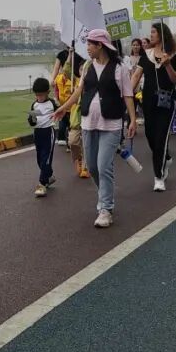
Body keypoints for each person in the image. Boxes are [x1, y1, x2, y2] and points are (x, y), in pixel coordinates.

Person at [53, 29, 137, 226]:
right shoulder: (87, 66)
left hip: (111, 124)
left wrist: (132, 120)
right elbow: (78, 92)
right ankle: (105, 196)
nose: (88, 48)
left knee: (103, 166)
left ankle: (105, 208)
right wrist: (63, 108)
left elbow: (127, 95)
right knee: (92, 166)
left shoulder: (119, 68)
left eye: (90, 44)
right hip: (88, 123)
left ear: (101, 45)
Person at [130, 22, 176, 191]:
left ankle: (158, 177)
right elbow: (136, 76)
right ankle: (165, 158)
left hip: (166, 102)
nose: (150, 35)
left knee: (161, 139)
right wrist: (126, 94)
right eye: (150, 32)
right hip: (148, 101)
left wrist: (167, 65)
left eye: (153, 32)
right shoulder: (146, 54)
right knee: (150, 135)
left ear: (162, 34)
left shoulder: (174, 56)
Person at [54, 60, 87, 177]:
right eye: (82, 69)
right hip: (76, 118)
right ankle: (78, 159)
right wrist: (69, 54)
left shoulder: (95, 83)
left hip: (90, 118)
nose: (84, 72)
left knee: (87, 144)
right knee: (73, 141)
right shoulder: (76, 81)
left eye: (86, 70)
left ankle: (85, 167)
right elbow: (67, 69)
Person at [27, 77, 58, 197]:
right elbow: (32, 122)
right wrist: (32, 119)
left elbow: (60, 112)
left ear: (47, 93)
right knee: (40, 159)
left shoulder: (52, 103)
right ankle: (49, 176)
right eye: (37, 95)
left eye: (41, 95)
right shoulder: (34, 105)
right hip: (38, 133)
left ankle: (41, 184)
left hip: (48, 132)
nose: (39, 97)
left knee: (46, 158)